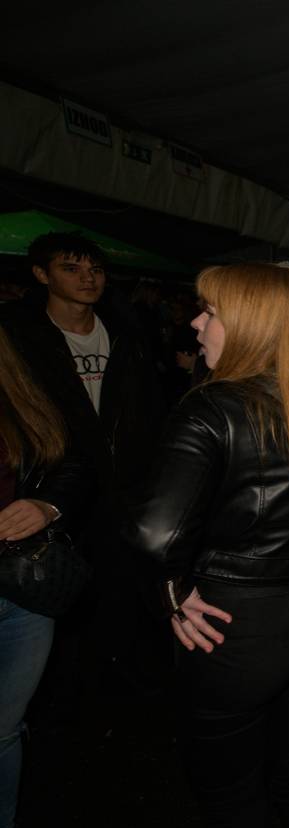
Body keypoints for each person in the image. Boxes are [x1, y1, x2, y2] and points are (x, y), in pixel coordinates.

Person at [125, 263, 289, 828]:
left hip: (230, 627)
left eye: (210, 312)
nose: (196, 323)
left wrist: (173, 592)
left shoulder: (211, 407)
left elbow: (155, 535)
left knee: (232, 795)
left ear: (252, 326)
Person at [0, 232, 165, 686]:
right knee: (61, 584)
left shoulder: (126, 330)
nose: (87, 278)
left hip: (125, 483)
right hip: (54, 484)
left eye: (95, 269)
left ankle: (118, 672)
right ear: (42, 275)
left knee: (125, 583)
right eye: (71, 269)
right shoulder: (21, 336)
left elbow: (150, 407)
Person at [0, 327, 92, 828]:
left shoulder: (18, 390)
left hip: (24, 590)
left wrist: (46, 505)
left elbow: (72, 460)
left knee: (4, 728)